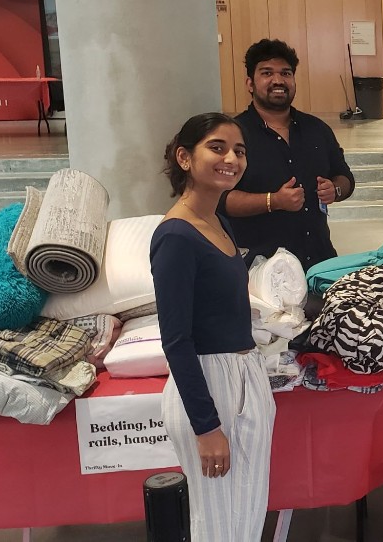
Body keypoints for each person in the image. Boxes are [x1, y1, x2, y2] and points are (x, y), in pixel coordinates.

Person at [152, 112, 275, 541]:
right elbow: (176, 340)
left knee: (246, 518)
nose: (231, 158)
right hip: (210, 383)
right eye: (217, 147)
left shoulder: (218, 222)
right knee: (218, 524)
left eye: (239, 150)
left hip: (243, 375)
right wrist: (206, 426)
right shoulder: (176, 236)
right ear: (185, 158)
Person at [219, 38, 355, 271]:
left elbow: (345, 177)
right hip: (261, 270)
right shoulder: (233, 134)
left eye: (286, 73)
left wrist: (335, 190)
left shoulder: (317, 129)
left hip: (319, 263)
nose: (278, 80)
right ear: (250, 83)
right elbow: (220, 199)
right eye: (267, 73)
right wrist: (273, 201)